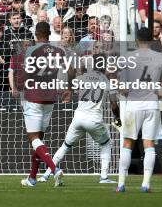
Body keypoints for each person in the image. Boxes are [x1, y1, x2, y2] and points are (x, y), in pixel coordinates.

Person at [116, 27, 162, 193]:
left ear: (137, 40)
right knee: (149, 144)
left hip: (133, 105)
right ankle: (145, 184)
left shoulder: (128, 57)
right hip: (152, 105)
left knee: (128, 143)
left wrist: (123, 89)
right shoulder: (159, 57)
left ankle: (121, 184)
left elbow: (117, 81)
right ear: (151, 40)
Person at [39, 53, 121, 184]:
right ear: (103, 65)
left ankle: (46, 175)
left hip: (78, 118)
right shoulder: (106, 81)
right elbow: (114, 105)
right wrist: (117, 118)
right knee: (106, 144)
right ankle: (104, 177)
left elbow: (69, 85)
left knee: (65, 146)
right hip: (94, 119)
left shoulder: (82, 78)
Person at [17, 22, 64, 187]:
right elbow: (66, 72)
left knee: (34, 139)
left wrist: (19, 85)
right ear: (49, 34)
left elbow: (25, 73)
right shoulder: (59, 51)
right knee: (39, 141)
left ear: (36, 34)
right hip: (50, 98)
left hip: (34, 97)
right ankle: (32, 178)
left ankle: (54, 169)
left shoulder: (31, 50)